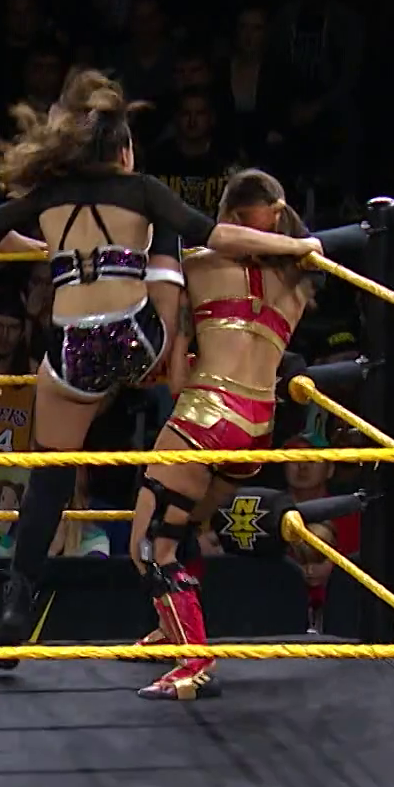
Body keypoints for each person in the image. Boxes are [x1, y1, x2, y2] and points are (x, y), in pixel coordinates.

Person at [0, 70, 318, 661]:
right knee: (167, 235)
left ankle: (18, 599)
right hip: (141, 342)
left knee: (51, 473)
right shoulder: (143, 190)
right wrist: (296, 244)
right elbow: (214, 235)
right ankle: (183, 363)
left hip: (74, 352)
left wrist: (48, 251)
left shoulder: (48, 196)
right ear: (124, 151)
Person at [130, 169, 334, 700]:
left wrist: (181, 339)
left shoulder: (200, 262)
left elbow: (177, 381)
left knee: (149, 545)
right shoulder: (299, 282)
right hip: (258, 427)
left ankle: (194, 660)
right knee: (183, 526)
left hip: (207, 414)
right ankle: (173, 629)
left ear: (229, 217)